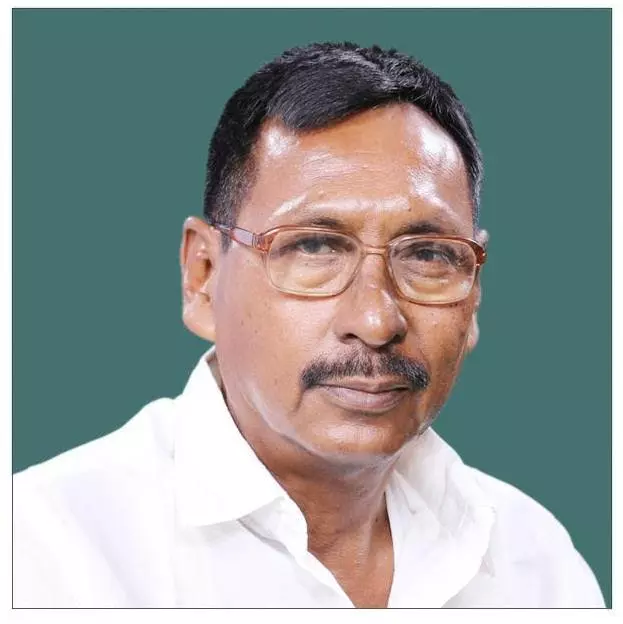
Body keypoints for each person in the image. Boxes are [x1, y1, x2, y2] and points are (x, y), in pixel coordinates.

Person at [12, 41, 605, 608]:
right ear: (203, 277)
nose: (376, 320)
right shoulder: (45, 554)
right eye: (315, 247)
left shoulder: (534, 563)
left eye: (427, 255)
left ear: (473, 293)